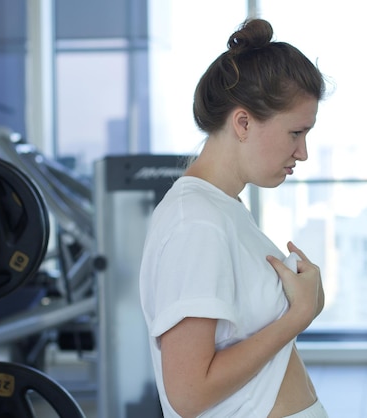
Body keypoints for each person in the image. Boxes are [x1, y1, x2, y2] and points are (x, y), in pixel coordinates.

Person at [139, 18, 328, 418]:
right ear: (242, 123)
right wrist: (297, 315)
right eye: (296, 133)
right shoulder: (196, 222)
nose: (303, 152)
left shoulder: (221, 209)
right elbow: (188, 394)